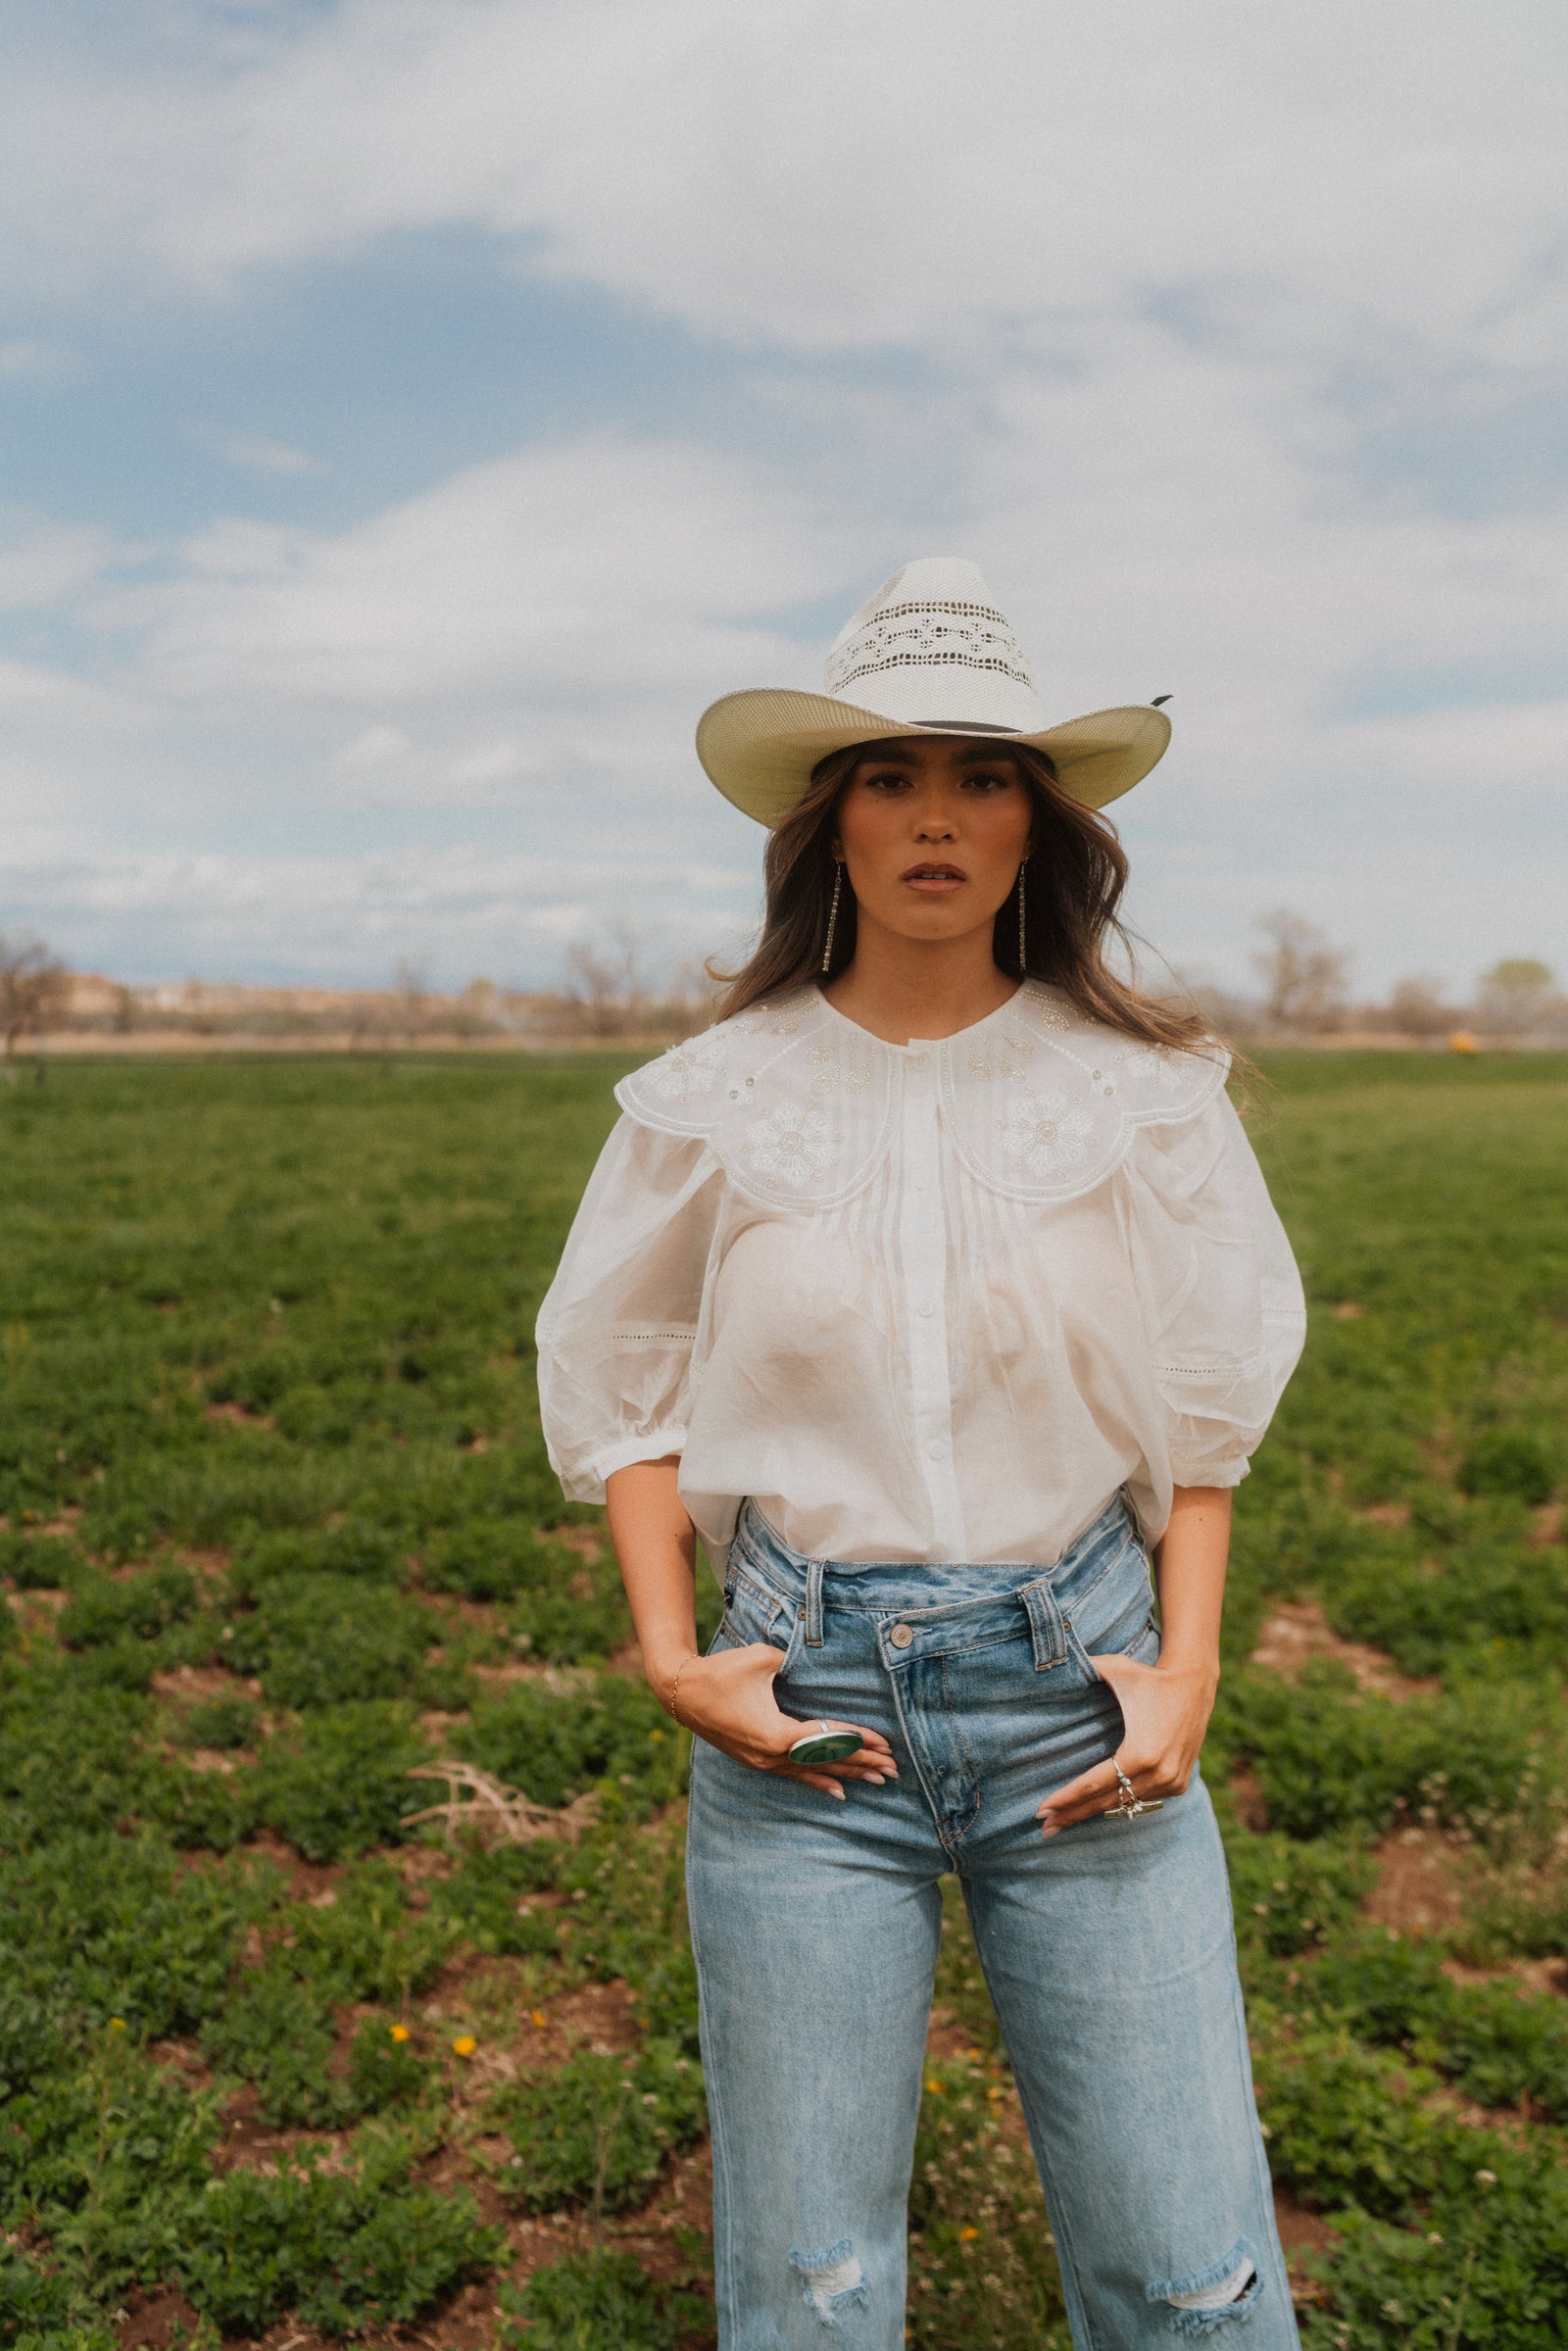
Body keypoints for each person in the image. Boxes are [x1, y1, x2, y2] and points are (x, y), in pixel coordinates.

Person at [536, 559, 1307, 2349]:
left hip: (1085, 1701)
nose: (938, 816)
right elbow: (626, 1375)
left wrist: (1187, 1668)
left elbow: (1206, 1407)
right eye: (892, 775)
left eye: (983, 776)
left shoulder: (1147, 1093)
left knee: (1191, 2283)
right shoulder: (710, 1099)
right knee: (808, 2299)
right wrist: (672, 1653)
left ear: (1042, 829)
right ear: (835, 823)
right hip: (804, 1714)